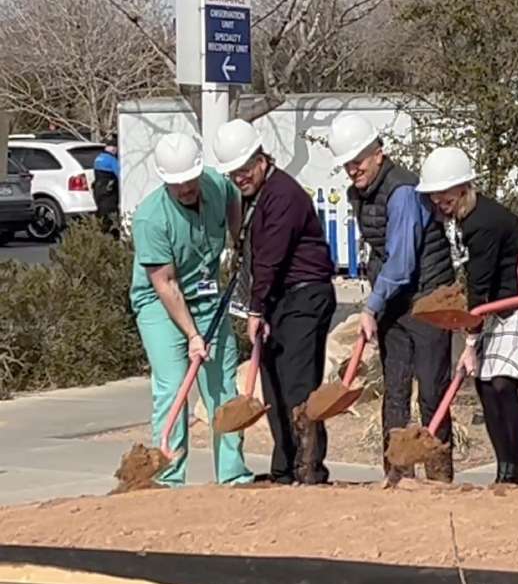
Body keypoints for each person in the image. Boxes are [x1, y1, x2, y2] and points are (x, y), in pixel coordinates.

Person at [327, 114, 457, 484]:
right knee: (394, 390)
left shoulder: (402, 192)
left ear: (379, 153)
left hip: (431, 298)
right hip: (397, 304)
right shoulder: (361, 195)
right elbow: (380, 254)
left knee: (432, 390)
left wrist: (371, 306)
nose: (354, 169)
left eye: (360, 160)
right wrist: (379, 300)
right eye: (348, 163)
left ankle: (439, 477)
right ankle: (397, 476)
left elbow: (401, 261)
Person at [212, 119, 337, 485]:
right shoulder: (254, 197)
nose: (241, 177)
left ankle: (309, 468)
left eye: (246, 169)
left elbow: (270, 257)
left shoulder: (282, 194)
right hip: (279, 300)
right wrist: (263, 306)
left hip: (305, 295)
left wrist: (255, 309)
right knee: (273, 387)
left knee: (298, 386)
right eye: (234, 173)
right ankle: (284, 467)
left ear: (262, 158)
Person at [128, 132, 252, 487]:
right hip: (160, 303)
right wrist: (193, 335)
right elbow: (164, 284)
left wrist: (236, 237)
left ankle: (232, 474)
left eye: (189, 180)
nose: (186, 188)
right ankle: (169, 478)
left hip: (208, 295)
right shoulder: (151, 219)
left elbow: (233, 199)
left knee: (223, 388)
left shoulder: (214, 184)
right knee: (173, 384)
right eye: (177, 183)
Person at [418, 146, 518, 485]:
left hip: (515, 307)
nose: (440, 199)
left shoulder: (484, 223)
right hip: (490, 312)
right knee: (485, 386)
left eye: (446, 192)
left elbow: (479, 288)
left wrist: (469, 343)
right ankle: (503, 470)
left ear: (464, 186)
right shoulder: (461, 221)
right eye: (435, 194)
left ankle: (514, 471)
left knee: (502, 383)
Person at [93, 135, 121, 236]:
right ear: (114, 148)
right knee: (111, 215)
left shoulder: (99, 158)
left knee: (101, 213)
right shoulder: (111, 160)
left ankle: (100, 233)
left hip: (98, 190)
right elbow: (120, 175)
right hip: (109, 192)